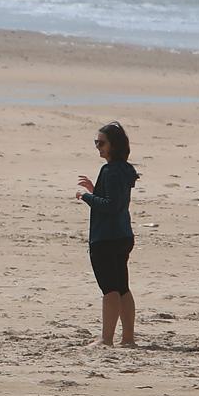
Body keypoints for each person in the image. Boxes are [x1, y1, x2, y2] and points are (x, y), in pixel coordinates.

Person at [76, 121, 140, 347]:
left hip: (106, 238)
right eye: (96, 143)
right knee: (122, 287)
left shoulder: (111, 170)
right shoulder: (125, 169)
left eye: (101, 143)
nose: (98, 148)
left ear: (114, 145)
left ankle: (106, 338)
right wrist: (96, 191)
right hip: (123, 235)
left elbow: (110, 205)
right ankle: (128, 338)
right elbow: (116, 199)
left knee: (110, 289)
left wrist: (86, 196)